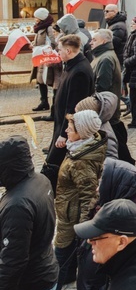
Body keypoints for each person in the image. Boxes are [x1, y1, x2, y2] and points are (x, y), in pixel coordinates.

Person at [37, 109, 107, 290]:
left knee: (57, 268)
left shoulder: (81, 161)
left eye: (71, 128)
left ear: (83, 132)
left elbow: (88, 198)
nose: (66, 129)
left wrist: (84, 230)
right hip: (70, 216)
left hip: (72, 223)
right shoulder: (80, 148)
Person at [76, 158, 136, 290]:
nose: (97, 187)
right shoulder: (107, 209)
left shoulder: (131, 224)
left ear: (117, 186)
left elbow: (122, 276)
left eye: (103, 182)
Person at [0, 136, 58, 290]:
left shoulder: (17, 204)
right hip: (44, 268)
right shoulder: (40, 180)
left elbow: (13, 263)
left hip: (28, 286)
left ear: (7, 167)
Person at [44, 34, 95, 189]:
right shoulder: (72, 64)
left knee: (53, 163)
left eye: (59, 50)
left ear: (68, 50)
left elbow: (74, 106)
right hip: (62, 124)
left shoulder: (79, 71)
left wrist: (64, 134)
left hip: (68, 128)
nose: (57, 53)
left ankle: (46, 189)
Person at [90, 29, 134, 164]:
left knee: (116, 139)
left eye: (94, 40)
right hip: (107, 107)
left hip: (106, 107)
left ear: (104, 41)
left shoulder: (105, 58)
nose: (91, 42)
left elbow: (102, 86)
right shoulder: (102, 55)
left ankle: (127, 164)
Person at [31, 7, 60, 113]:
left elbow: (52, 41)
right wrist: (34, 44)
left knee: (45, 79)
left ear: (41, 18)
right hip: (40, 56)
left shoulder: (48, 28)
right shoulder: (39, 27)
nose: (35, 19)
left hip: (45, 57)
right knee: (40, 80)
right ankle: (44, 101)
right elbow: (39, 40)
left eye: (36, 17)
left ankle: (49, 103)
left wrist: (46, 50)